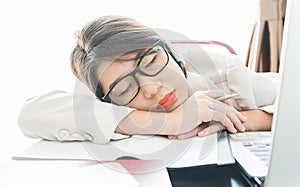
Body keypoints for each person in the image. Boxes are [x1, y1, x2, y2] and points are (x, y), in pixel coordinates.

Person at [18, 15, 279, 144]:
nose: (152, 88)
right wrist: (170, 121)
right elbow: (30, 114)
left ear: (170, 52)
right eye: (125, 88)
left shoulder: (224, 71)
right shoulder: (107, 102)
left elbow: (290, 98)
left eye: (151, 62)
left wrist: (239, 119)